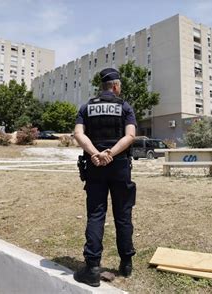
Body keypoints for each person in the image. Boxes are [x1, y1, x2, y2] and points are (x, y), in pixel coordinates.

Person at [73, 68, 137, 287]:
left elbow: (78, 134)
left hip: (95, 165)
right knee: (123, 214)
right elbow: (130, 136)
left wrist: (96, 154)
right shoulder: (125, 107)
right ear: (116, 86)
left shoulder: (86, 107)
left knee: (96, 214)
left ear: (102, 86)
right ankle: (126, 264)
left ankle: (91, 268)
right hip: (119, 165)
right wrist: (111, 153)